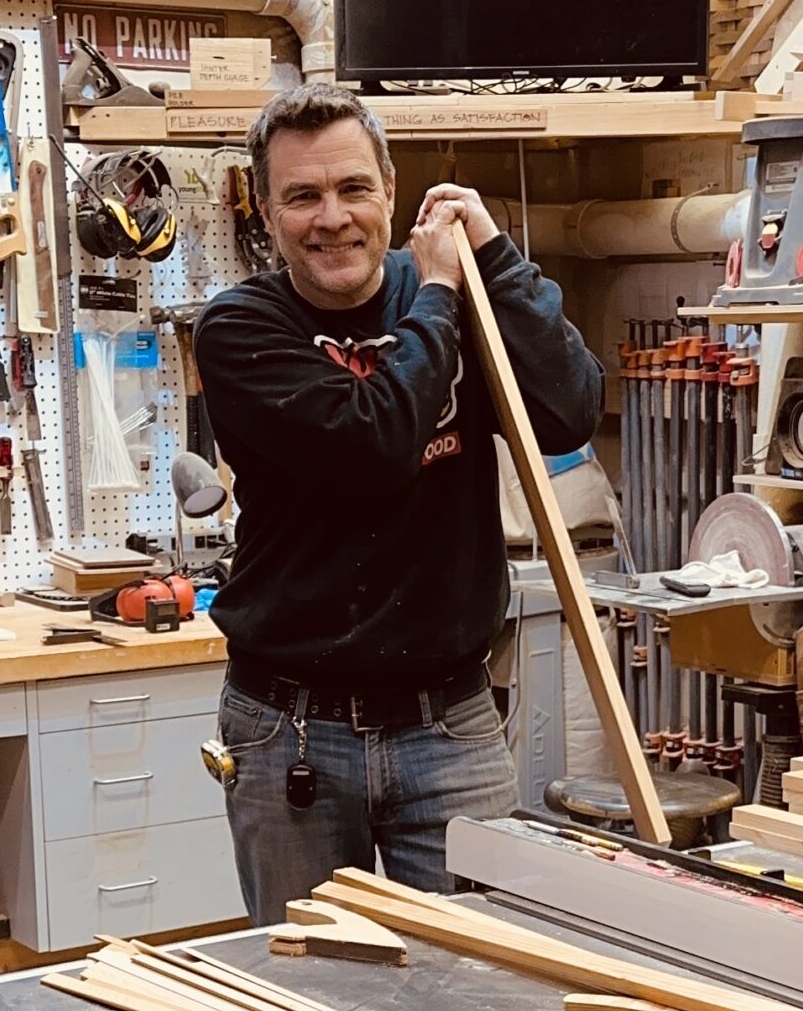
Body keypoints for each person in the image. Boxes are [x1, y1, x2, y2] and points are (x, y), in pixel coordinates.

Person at [193, 83, 605, 925]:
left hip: (450, 723)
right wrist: (444, 296)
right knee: (312, 993)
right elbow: (370, 448)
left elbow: (569, 410)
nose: (332, 217)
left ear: (389, 190)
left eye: (352, 189)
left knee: (476, 982)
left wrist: (494, 258)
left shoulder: (460, 290)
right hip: (290, 731)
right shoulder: (238, 331)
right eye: (301, 196)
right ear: (266, 214)